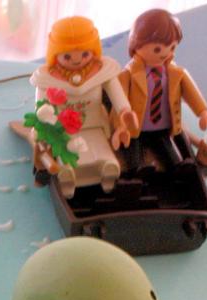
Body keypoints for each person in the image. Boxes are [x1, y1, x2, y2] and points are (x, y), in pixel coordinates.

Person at [30, 16, 136, 197]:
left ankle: (107, 172)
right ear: (55, 54)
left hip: (95, 124)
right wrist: (43, 121)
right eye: (67, 56)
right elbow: (41, 108)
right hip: (62, 130)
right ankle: (67, 179)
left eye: (85, 54)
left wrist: (125, 111)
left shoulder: (103, 71)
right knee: (66, 156)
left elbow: (117, 95)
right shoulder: (47, 79)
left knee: (102, 152)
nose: (76, 61)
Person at [118, 9, 207, 175]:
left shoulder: (176, 73)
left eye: (172, 47)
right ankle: (136, 175)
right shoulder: (127, 75)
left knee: (174, 161)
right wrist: (120, 125)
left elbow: (191, 92)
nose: (166, 54)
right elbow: (118, 103)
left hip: (163, 129)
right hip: (135, 131)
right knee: (133, 162)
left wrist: (203, 112)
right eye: (157, 49)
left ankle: (179, 176)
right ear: (136, 44)